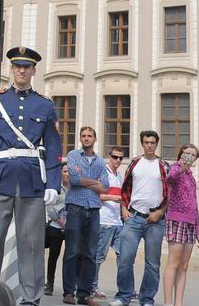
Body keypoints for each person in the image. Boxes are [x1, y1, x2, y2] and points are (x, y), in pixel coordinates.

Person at [0, 47, 63, 306]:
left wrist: (53, 183)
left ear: (34, 71)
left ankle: (30, 299)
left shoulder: (45, 105)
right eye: (17, 66)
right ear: (12, 69)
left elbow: (54, 147)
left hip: (32, 182)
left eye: (27, 67)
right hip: (0, 178)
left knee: (31, 243)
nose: (22, 70)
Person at [111, 130, 168, 306]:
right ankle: (123, 296)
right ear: (142, 143)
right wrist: (123, 208)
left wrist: (160, 212)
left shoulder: (164, 166)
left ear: (156, 144)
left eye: (152, 142)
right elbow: (124, 187)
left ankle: (147, 299)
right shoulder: (135, 163)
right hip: (133, 216)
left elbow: (171, 193)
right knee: (125, 259)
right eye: (146, 142)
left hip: (155, 219)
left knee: (152, 263)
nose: (149, 145)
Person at [61, 126, 106, 304]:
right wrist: (94, 181)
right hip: (75, 208)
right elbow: (73, 179)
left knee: (90, 253)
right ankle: (68, 293)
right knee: (72, 251)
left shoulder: (101, 162)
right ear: (80, 138)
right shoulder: (73, 155)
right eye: (83, 136)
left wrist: (84, 181)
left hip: (94, 209)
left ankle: (84, 294)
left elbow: (105, 187)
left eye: (90, 136)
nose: (86, 138)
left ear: (95, 139)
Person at [162, 144, 199, 306]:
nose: (189, 156)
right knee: (173, 262)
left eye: (193, 155)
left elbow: (195, 204)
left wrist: (198, 231)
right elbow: (170, 179)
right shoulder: (175, 168)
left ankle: (178, 302)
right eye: (187, 153)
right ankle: (168, 302)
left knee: (184, 265)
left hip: (190, 223)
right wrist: (181, 168)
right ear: (181, 154)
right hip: (176, 220)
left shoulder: (191, 177)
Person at [91, 146, 126, 301]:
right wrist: (112, 198)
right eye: (115, 157)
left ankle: (125, 289)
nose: (118, 160)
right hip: (104, 220)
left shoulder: (119, 176)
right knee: (99, 256)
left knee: (123, 256)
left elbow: (122, 198)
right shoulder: (102, 172)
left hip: (118, 222)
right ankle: (92, 287)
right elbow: (94, 196)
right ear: (109, 157)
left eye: (120, 158)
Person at [46, 197, 67, 297]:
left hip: (71, 227)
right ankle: (50, 284)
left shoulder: (76, 188)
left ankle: (69, 289)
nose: (68, 179)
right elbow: (49, 207)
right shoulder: (57, 187)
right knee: (53, 257)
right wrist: (60, 222)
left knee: (69, 258)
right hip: (55, 226)